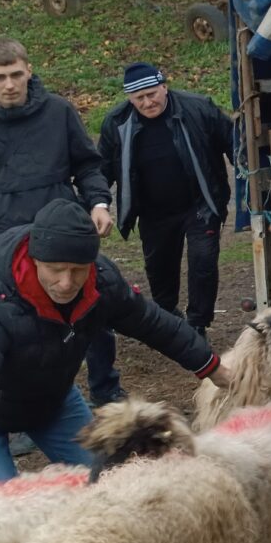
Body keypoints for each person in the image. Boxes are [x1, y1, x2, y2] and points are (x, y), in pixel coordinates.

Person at [0, 200, 226, 500]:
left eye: (78, 270)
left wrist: (212, 367)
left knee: (110, 484)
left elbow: (151, 322)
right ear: (35, 259)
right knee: (3, 506)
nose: (66, 283)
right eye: (55, 270)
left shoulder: (100, 282)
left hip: (51, 399)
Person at [0, 37, 118, 396]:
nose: (10, 84)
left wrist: (98, 203)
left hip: (63, 231)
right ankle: (22, 403)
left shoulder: (59, 112)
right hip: (2, 238)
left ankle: (105, 391)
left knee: (92, 310)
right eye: (0, 77)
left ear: (29, 71)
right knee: (15, 325)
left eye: (16, 74)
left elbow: (87, 165)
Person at [87, 63, 233, 402]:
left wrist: (248, 180)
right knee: (159, 269)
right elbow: (101, 168)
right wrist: (97, 203)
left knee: (203, 261)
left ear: (164, 87)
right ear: (130, 99)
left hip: (200, 203)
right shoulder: (117, 123)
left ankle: (197, 325)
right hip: (152, 210)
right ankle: (169, 318)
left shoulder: (198, 109)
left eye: (152, 94)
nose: (147, 103)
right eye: (139, 98)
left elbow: (235, 143)